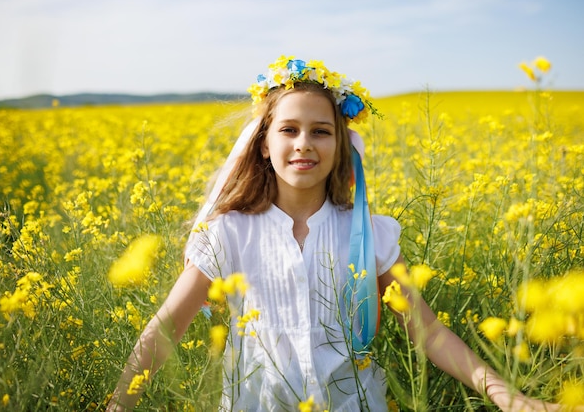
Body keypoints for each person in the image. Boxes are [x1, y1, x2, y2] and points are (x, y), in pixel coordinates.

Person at [107, 56, 577, 411]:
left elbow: (428, 332)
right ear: (264, 145)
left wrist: (508, 396)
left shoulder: (368, 234)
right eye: (289, 130)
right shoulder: (227, 233)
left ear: (341, 146)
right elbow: (166, 329)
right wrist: (117, 404)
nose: (304, 143)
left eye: (321, 132)